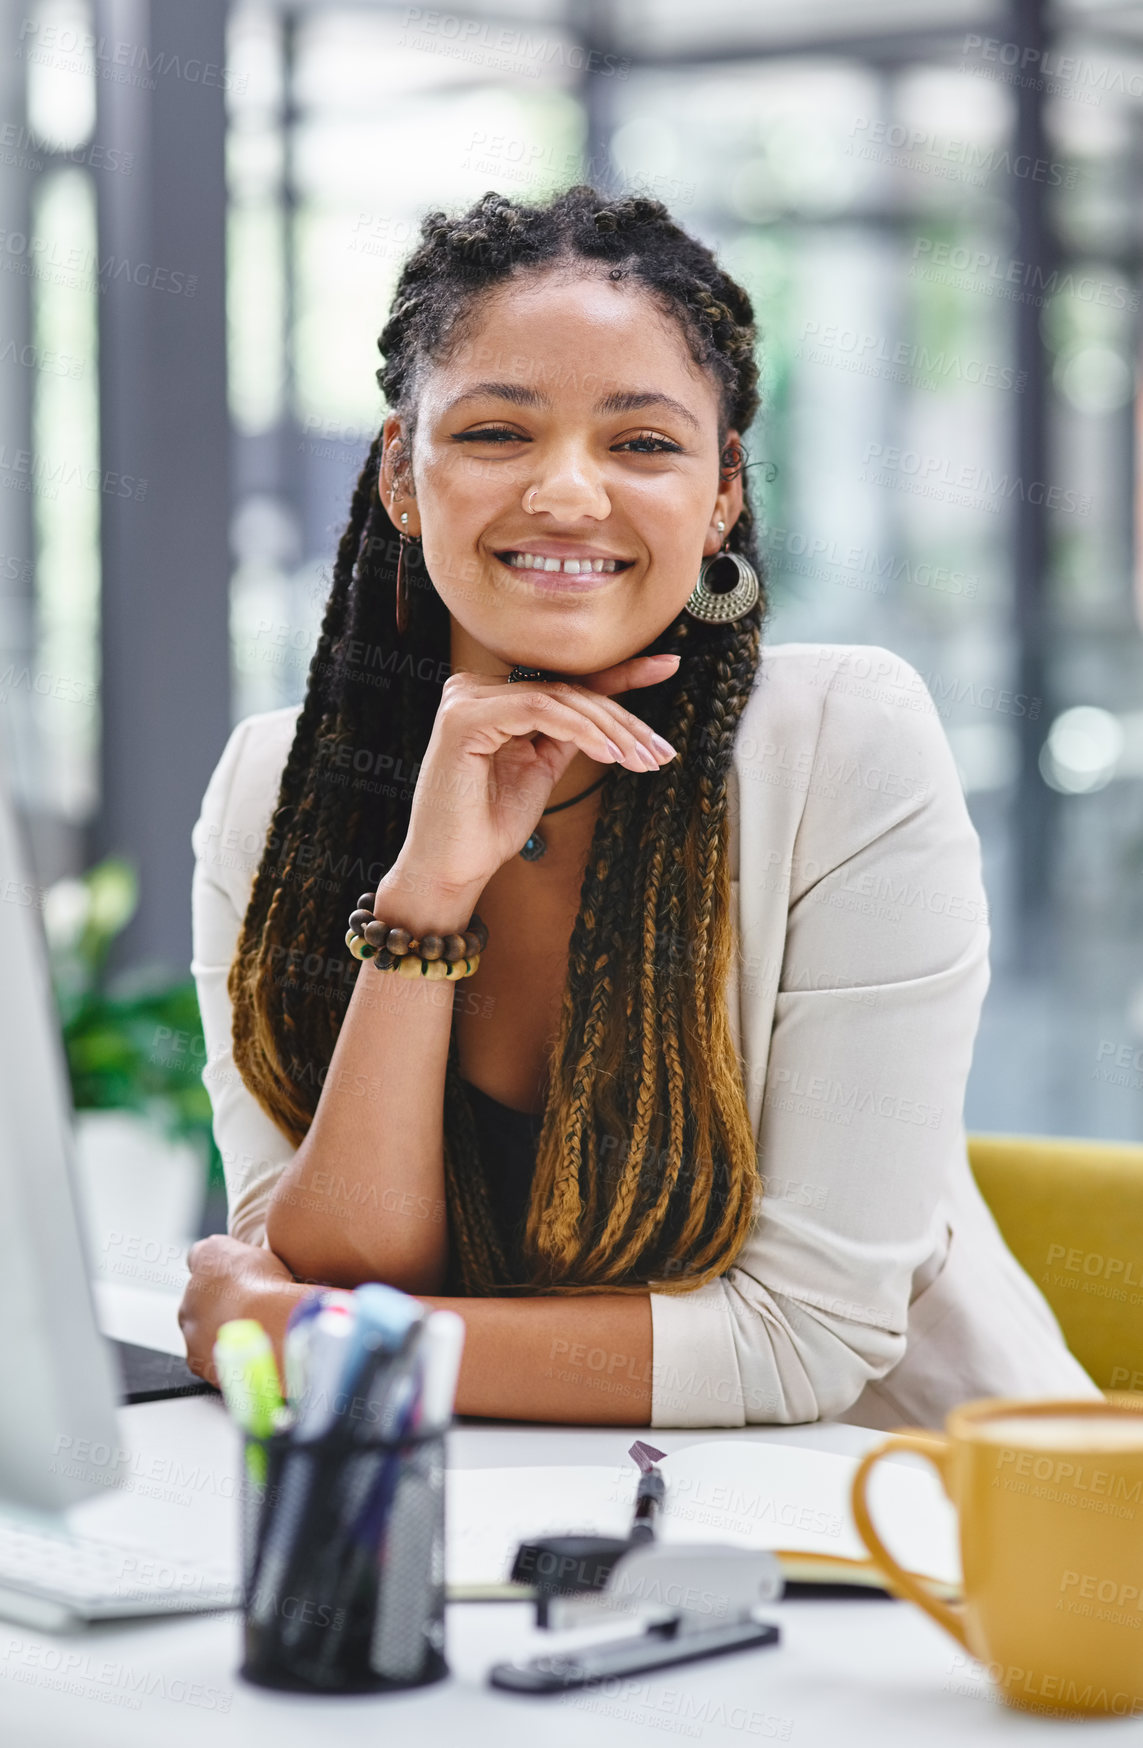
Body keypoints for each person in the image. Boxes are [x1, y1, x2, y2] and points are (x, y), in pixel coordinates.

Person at [179, 185, 1099, 1429]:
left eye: (643, 443)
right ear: (403, 470)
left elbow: (801, 1341)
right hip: (499, 1527)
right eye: (498, 432)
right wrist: (427, 899)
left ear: (722, 490)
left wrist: (329, 1338)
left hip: (900, 1540)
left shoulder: (845, 744)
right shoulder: (271, 795)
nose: (567, 492)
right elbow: (341, 1286)